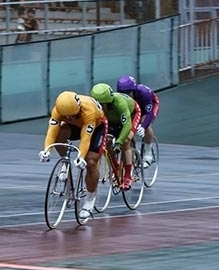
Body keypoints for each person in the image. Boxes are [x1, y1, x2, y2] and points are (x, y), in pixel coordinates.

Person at [38, 91, 108, 220]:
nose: (69, 118)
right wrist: (47, 150)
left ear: (78, 108)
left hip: (96, 126)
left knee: (91, 161)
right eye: (66, 116)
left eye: (72, 115)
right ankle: (65, 162)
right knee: (60, 133)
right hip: (75, 126)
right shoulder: (57, 111)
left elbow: (85, 138)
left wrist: (81, 157)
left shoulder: (89, 111)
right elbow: (52, 131)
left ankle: (90, 198)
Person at [90, 83, 141, 190]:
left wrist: (119, 142)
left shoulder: (120, 103)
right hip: (112, 121)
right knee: (106, 142)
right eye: (96, 104)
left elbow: (126, 125)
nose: (98, 107)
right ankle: (116, 168)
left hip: (131, 115)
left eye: (101, 104)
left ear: (108, 102)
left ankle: (128, 176)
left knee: (126, 141)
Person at [116, 75, 160, 167]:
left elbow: (149, 113)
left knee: (145, 124)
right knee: (129, 127)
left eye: (128, 93)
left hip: (148, 107)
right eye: (122, 93)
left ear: (133, 91)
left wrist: (143, 127)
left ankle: (148, 154)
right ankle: (135, 150)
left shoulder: (143, 93)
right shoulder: (120, 97)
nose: (126, 95)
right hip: (134, 108)